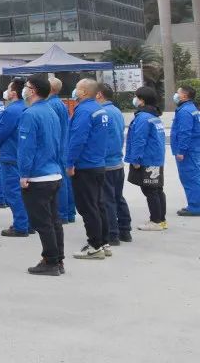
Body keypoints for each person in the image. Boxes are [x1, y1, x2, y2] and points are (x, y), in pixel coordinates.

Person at [18, 75, 66, 276]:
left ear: (33, 90)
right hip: (53, 173)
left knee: (43, 222)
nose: (24, 89)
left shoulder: (30, 114)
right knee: (54, 221)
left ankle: (50, 261)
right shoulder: (51, 111)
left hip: (38, 176)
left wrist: (24, 174)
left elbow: (27, 147)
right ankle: (58, 259)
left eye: (26, 86)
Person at [66, 79, 109, 259]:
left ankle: (94, 246)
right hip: (98, 163)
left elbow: (78, 139)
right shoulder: (99, 109)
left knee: (88, 207)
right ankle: (103, 242)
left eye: (77, 88)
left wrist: (70, 163)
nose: (74, 91)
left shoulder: (84, 111)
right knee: (98, 205)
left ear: (83, 92)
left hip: (85, 165)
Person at [125, 86, 168, 231]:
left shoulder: (143, 117)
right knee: (157, 190)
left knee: (150, 191)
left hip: (147, 159)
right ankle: (161, 220)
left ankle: (156, 221)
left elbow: (139, 140)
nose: (135, 100)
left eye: (136, 97)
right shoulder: (154, 116)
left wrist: (136, 159)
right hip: (156, 158)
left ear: (142, 100)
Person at [96, 84, 131, 245]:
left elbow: (101, 140)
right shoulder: (116, 111)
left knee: (107, 200)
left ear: (99, 94)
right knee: (118, 197)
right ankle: (125, 230)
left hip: (107, 163)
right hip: (117, 161)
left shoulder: (102, 113)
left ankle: (112, 234)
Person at [0, 78, 30, 237]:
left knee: (13, 191)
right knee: (25, 192)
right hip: (23, 155)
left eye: (9, 89)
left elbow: (0, 133)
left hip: (10, 155)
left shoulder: (11, 110)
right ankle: (28, 223)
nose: (7, 92)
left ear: (14, 93)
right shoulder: (26, 107)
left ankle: (21, 225)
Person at [48, 75, 76, 224]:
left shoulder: (51, 105)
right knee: (66, 181)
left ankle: (62, 214)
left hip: (57, 147)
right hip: (64, 145)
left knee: (60, 182)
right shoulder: (60, 103)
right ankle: (69, 212)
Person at [171, 85, 200, 216]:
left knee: (190, 178)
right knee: (194, 177)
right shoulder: (192, 108)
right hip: (194, 148)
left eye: (178, 92)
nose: (176, 95)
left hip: (188, 151)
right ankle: (195, 204)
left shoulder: (184, 111)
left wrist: (181, 151)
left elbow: (185, 133)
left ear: (184, 95)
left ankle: (195, 207)